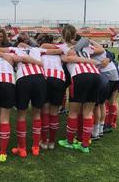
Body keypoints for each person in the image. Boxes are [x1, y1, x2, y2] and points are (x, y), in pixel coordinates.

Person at [42, 25, 101, 153]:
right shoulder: (85, 47)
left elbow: (44, 47)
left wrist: (65, 50)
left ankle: (69, 142)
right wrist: (88, 40)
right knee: (88, 112)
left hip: (80, 76)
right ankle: (84, 145)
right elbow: (101, 50)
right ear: (75, 35)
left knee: (73, 111)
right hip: (96, 75)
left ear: (63, 35)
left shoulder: (63, 47)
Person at [36, 34, 65, 150]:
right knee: (54, 112)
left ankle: (44, 141)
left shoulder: (38, 50)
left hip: (45, 77)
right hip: (59, 78)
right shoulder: (60, 51)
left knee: (45, 111)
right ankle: (52, 142)